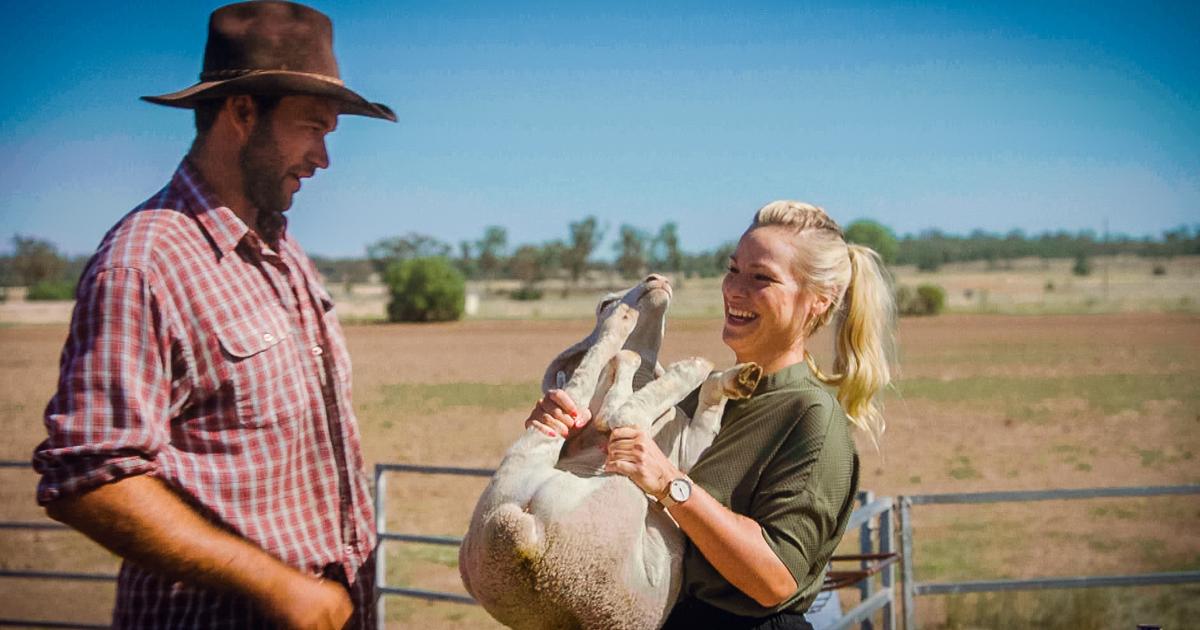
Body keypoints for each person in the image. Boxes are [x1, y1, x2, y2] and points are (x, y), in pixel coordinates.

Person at [31, 2, 395, 628]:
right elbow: (88, 476)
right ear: (242, 110)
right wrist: (276, 586)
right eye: (312, 128)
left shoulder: (280, 250)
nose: (323, 159)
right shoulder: (144, 264)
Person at [527, 200, 894, 629]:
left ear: (817, 301)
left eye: (762, 278)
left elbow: (775, 580)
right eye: (732, 269)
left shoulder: (811, 416)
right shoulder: (703, 396)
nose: (735, 290)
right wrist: (564, 435)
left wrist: (668, 482)